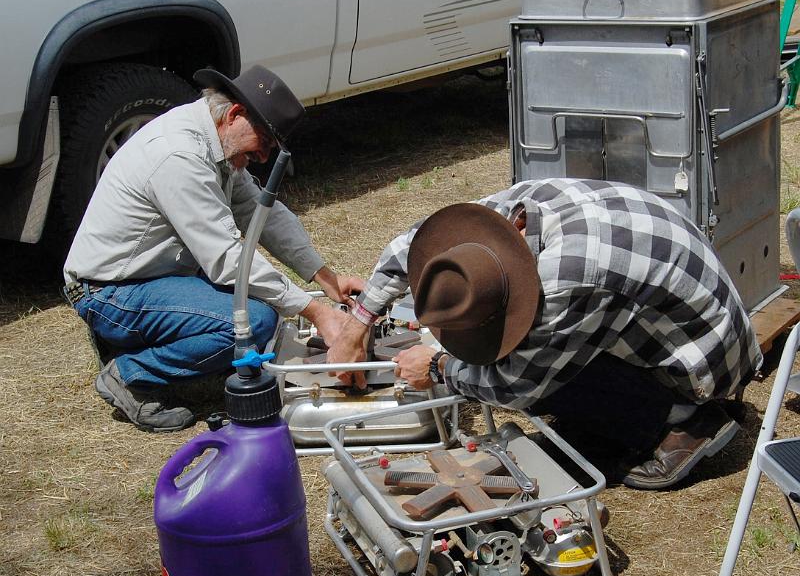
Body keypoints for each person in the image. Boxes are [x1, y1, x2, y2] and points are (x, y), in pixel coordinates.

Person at [327, 178, 762, 490]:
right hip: (682, 324)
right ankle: (642, 411)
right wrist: (356, 325)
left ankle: (683, 421)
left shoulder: (569, 279)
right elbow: (411, 245)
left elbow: (516, 384)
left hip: (704, 367)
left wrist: (440, 366)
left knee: (523, 368)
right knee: (520, 354)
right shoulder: (506, 215)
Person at [63, 65, 361, 432]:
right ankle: (128, 373)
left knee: (255, 309)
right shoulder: (179, 156)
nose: (264, 158)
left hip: (150, 277)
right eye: (265, 143)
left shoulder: (214, 140)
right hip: (110, 292)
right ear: (235, 115)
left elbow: (261, 212)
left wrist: (324, 276)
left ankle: (152, 346)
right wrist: (318, 312)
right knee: (254, 320)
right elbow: (227, 260)